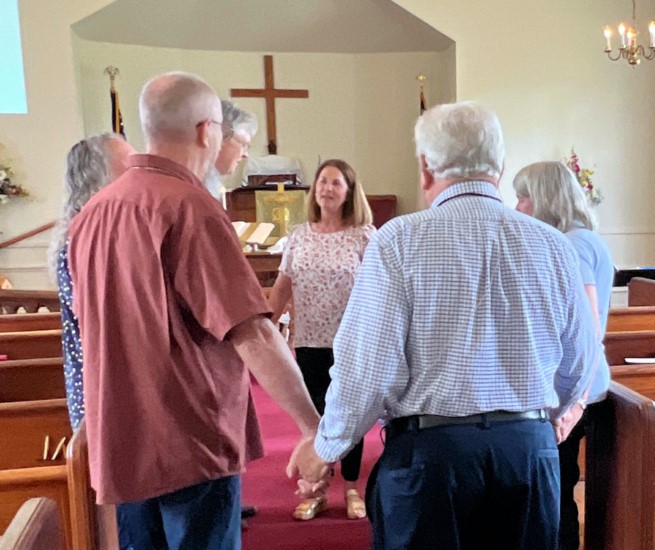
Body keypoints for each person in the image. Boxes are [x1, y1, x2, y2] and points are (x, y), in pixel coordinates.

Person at [288, 102, 599, 549]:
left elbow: (367, 370)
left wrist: (326, 447)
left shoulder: (398, 240)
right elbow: (580, 360)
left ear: (425, 168)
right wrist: (538, 421)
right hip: (528, 451)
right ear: (500, 167)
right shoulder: (553, 245)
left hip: (432, 458)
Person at [67, 71, 320, 550]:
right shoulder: (190, 207)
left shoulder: (92, 214)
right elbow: (252, 333)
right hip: (189, 443)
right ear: (207, 131)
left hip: (122, 439)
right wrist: (313, 428)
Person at [268, 159, 375, 521]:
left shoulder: (364, 236)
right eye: (322, 182)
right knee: (316, 415)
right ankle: (317, 490)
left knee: (350, 414)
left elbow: (379, 291)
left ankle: (352, 487)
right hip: (310, 340)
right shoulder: (299, 235)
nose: (327, 188)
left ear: (349, 192)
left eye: (336, 183)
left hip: (352, 341)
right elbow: (282, 286)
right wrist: (266, 329)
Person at [513, 160, 613, 550]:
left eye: (524, 197)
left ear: (546, 199)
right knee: (556, 490)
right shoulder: (583, 238)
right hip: (578, 386)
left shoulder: (572, 243)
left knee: (553, 496)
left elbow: (587, 328)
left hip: (572, 391)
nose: (518, 206)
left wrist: (573, 404)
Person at [48, 133, 135, 430]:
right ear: (96, 180)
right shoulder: (81, 241)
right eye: (129, 167)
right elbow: (107, 321)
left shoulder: (110, 231)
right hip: (101, 396)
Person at [204, 99, 257, 199]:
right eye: (243, 145)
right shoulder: (197, 183)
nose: (245, 154)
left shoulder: (209, 180)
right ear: (222, 135)